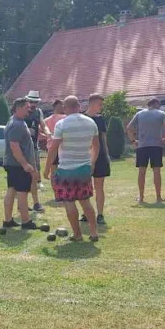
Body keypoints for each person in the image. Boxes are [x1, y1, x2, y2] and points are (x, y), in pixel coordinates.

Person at [44, 96, 100, 242]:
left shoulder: (61, 124)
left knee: (69, 202)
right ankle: (94, 232)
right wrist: (92, 162)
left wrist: (47, 168)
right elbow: (96, 146)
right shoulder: (91, 122)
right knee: (85, 201)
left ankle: (77, 234)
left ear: (65, 107)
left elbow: (53, 148)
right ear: (79, 106)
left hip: (66, 169)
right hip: (84, 167)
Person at [126, 97, 165, 205]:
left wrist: (133, 140)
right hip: (156, 145)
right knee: (156, 171)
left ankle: (141, 197)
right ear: (156, 104)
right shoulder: (161, 113)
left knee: (141, 172)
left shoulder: (139, 114)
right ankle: (158, 197)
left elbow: (129, 127)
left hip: (142, 146)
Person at [3, 98, 39, 231]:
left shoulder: (17, 122)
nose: (28, 110)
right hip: (17, 165)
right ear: (18, 108)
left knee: (12, 190)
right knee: (22, 192)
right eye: (26, 108)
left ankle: (8, 220)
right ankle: (26, 221)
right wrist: (25, 164)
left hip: (13, 164)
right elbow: (14, 146)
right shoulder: (16, 124)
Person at [82, 93, 110, 225]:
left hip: (100, 155)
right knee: (85, 186)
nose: (101, 107)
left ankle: (100, 214)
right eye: (100, 104)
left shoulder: (100, 119)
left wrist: (107, 154)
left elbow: (103, 138)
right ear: (92, 103)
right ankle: (86, 212)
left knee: (99, 186)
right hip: (85, 155)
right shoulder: (82, 118)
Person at [23, 90, 49, 213]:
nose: (33, 105)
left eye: (35, 102)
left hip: (33, 146)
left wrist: (48, 132)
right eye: (31, 102)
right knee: (22, 176)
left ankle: (35, 203)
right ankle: (23, 203)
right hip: (22, 147)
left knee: (34, 174)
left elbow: (43, 124)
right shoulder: (22, 111)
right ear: (27, 101)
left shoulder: (38, 112)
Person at [43, 100, 66, 180]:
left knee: (53, 170)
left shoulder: (46, 120)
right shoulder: (65, 118)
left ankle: (55, 190)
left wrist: (48, 136)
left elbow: (40, 133)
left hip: (51, 147)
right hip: (62, 147)